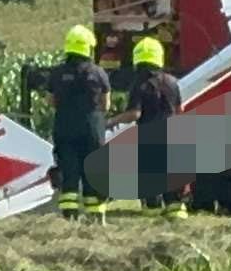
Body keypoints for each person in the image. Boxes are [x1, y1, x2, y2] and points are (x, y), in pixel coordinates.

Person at [110, 36, 183, 216]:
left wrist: (112, 121)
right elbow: (180, 109)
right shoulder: (173, 82)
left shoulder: (140, 83)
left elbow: (135, 114)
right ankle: (175, 209)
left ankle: (152, 210)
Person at [47, 24, 110, 222]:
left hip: (65, 127)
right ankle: (96, 217)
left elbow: (51, 101)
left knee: (69, 171)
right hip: (92, 127)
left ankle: (69, 217)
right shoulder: (98, 73)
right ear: (88, 47)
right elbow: (106, 104)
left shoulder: (57, 73)